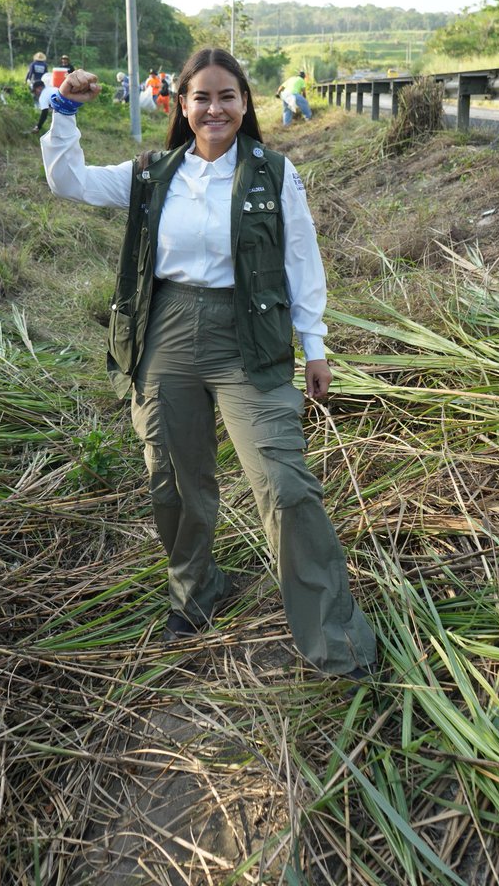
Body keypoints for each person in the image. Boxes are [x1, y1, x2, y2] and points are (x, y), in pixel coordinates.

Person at [40, 47, 377, 680]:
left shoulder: (275, 174)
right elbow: (69, 180)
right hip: (166, 331)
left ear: (246, 104)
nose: (215, 108)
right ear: (182, 105)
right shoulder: (154, 173)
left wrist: (316, 345)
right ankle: (196, 590)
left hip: (250, 334)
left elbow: (303, 259)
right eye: (202, 97)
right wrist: (62, 107)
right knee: (173, 478)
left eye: (228, 96)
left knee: (283, 484)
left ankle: (335, 638)